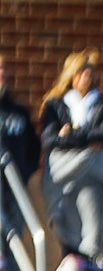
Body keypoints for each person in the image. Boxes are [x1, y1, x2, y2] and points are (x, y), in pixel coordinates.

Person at [38, 49, 103, 261]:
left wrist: (71, 133)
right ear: (72, 75)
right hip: (63, 178)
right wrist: (84, 139)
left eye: (90, 73)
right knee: (67, 233)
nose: (86, 77)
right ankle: (73, 270)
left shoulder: (101, 106)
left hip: (92, 175)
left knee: (92, 232)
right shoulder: (55, 106)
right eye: (82, 72)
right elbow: (49, 139)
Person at [0, 54, 40, 243]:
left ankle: (11, 265)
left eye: (4, 68)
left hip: (15, 186)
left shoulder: (19, 112)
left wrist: (24, 172)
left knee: (15, 238)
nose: (2, 73)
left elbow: (34, 146)